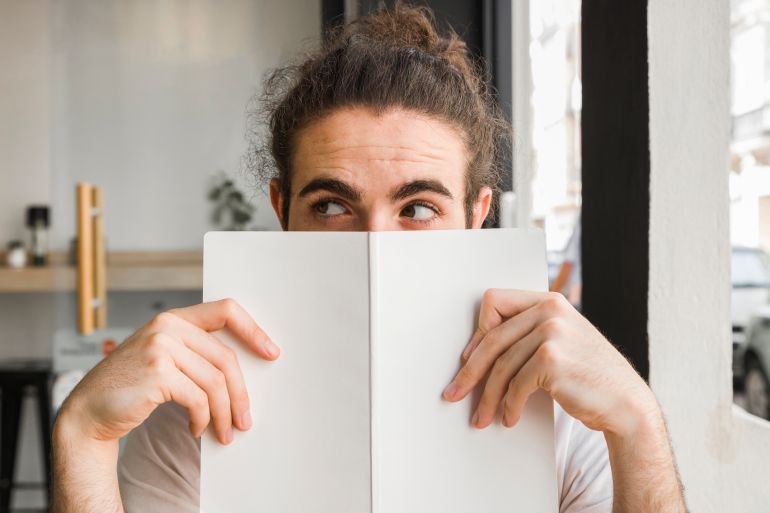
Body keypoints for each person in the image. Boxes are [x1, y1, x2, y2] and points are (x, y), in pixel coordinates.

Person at [52, 4, 688, 513]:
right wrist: (81, 437)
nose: (375, 244)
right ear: (282, 209)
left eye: (417, 209)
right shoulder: (198, 411)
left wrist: (638, 425)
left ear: (476, 214)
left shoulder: (561, 410)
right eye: (331, 206)